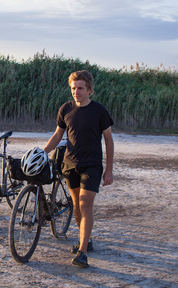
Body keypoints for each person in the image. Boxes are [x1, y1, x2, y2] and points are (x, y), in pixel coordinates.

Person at [43, 70, 114, 268]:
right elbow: (58, 135)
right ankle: (86, 239)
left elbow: (108, 140)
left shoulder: (99, 111)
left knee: (85, 204)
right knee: (76, 205)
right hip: (69, 164)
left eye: (80, 88)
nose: (76, 92)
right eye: (73, 88)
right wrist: (43, 152)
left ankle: (82, 252)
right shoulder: (65, 109)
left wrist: (109, 170)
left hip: (91, 164)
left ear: (89, 90)